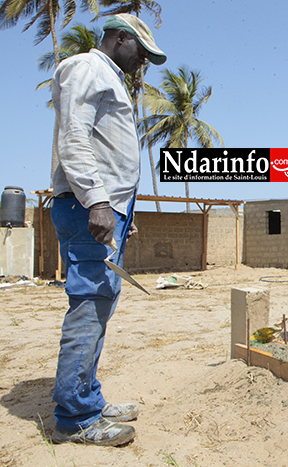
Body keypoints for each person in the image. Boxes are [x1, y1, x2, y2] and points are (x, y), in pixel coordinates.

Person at [49, 14, 166, 446]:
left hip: (104, 210)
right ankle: (75, 418)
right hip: (87, 208)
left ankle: (87, 398)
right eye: (142, 53)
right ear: (121, 39)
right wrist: (98, 201)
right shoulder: (88, 68)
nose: (144, 64)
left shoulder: (108, 76)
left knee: (101, 306)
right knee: (90, 305)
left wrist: (120, 213)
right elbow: (74, 136)